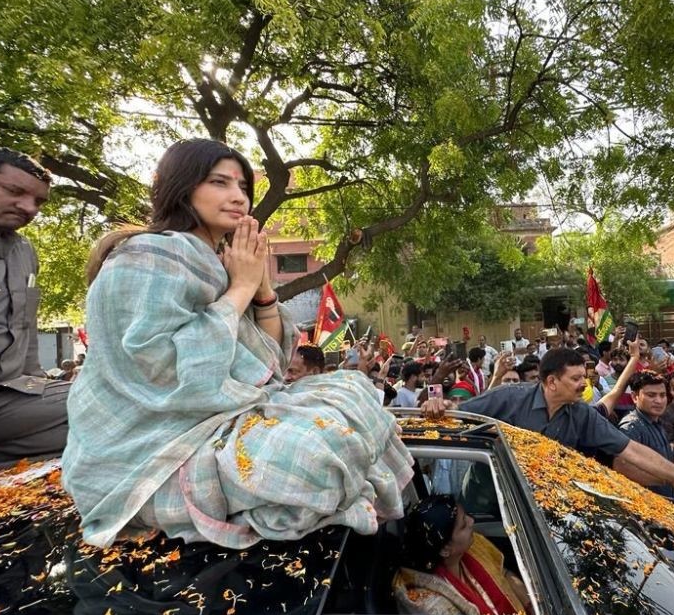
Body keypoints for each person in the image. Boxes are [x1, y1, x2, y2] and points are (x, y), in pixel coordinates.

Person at [62, 139, 412, 548]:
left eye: (243, 186)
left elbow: (270, 363)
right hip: (154, 450)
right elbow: (165, 369)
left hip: (219, 420)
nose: (237, 197)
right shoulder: (145, 258)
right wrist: (240, 288)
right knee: (318, 456)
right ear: (183, 187)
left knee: (355, 388)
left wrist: (260, 289)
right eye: (219, 182)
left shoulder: (222, 260)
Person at [423, 348, 674, 506]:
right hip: (490, 504)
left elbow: (635, 453)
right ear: (550, 382)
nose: (583, 385)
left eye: (584, 378)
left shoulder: (581, 414)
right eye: (575, 379)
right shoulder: (508, 398)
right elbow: (452, 416)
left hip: (543, 504)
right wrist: (437, 405)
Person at [0, 147, 70, 494]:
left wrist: (41, 387)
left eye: (39, 201)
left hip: (6, 400)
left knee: (114, 412)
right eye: (14, 192)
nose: (29, 208)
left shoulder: (22, 251)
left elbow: (25, 330)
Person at [393, 494, 530, 615]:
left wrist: (531, 605)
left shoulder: (473, 546)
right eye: (463, 525)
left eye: (466, 516)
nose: (471, 521)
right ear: (445, 549)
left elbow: (503, 573)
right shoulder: (431, 603)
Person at [618, 373, 674, 496]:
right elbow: (623, 468)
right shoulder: (632, 427)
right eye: (651, 395)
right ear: (635, 397)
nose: (659, 401)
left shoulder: (656, 422)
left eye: (662, 395)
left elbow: (668, 460)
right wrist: (670, 480)